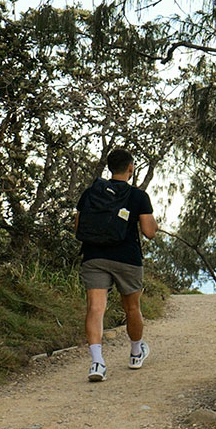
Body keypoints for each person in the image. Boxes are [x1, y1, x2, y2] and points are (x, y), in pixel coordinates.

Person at [74, 148, 158, 382]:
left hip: (94, 257)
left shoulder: (91, 192)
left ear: (110, 167)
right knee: (132, 308)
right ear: (131, 168)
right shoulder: (138, 196)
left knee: (95, 308)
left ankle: (97, 363)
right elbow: (149, 232)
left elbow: (78, 227)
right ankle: (135, 353)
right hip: (127, 258)